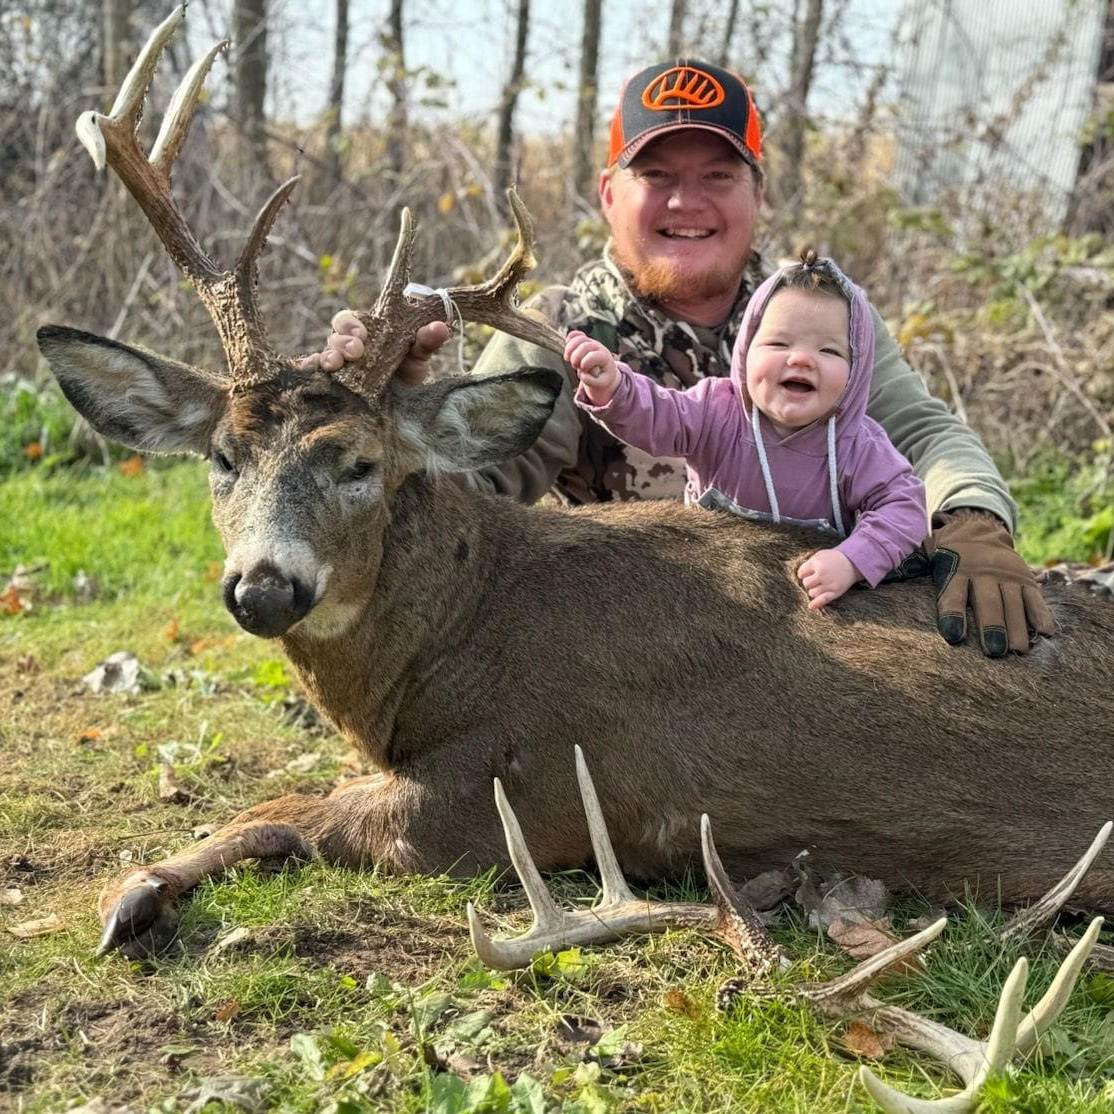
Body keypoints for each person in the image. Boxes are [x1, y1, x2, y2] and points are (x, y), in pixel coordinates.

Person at [303, 59, 1054, 657]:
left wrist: (972, 519)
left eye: (717, 177)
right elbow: (471, 496)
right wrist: (390, 412)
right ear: (609, 193)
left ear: (757, 193)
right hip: (632, 646)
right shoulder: (560, 331)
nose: (686, 202)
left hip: (820, 629)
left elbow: (925, 435)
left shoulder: (822, 318)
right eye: (656, 175)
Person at [567, 253, 927, 609]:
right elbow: (658, 416)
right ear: (745, 352)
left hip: (808, 601)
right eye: (779, 344)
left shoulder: (858, 445)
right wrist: (615, 388)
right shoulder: (715, 411)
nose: (801, 359)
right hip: (710, 583)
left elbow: (904, 506)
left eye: (829, 350)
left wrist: (851, 560)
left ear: (857, 371)